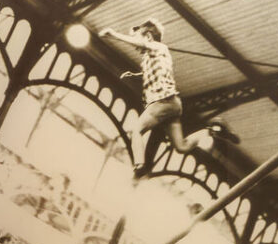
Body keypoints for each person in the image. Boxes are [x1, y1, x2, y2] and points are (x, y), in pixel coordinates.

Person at [99, 19, 232, 179]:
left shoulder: (158, 47)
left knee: (137, 131)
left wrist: (113, 35)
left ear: (148, 36)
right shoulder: (151, 57)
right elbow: (154, 71)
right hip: (173, 105)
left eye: (137, 39)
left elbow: (143, 44)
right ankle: (212, 130)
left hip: (162, 101)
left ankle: (140, 166)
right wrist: (135, 75)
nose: (135, 46)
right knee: (181, 147)